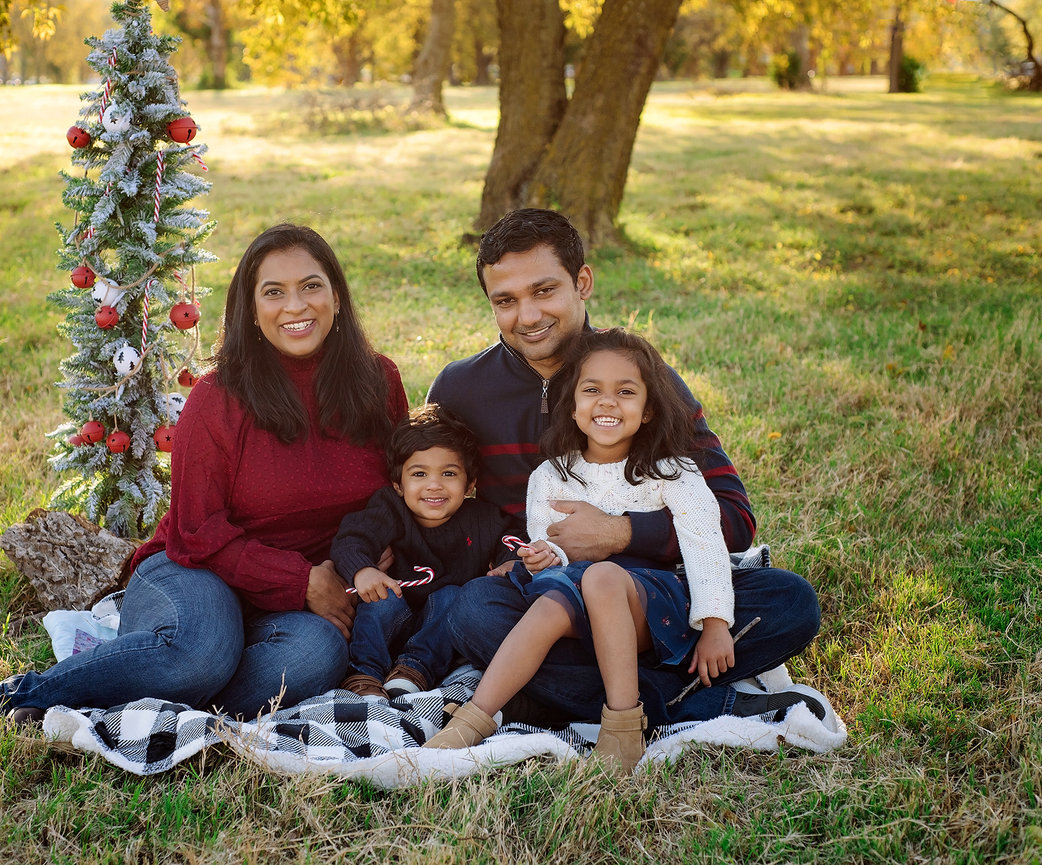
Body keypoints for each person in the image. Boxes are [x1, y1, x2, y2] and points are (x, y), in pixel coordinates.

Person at [0, 223, 409, 739]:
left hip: (301, 599)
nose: (295, 306)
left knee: (318, 655)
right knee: (202, 652)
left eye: (311, 285)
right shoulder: (219, 397)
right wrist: (301, 579)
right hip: (197, 572)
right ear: (250, 307)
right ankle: (25, 695)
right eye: (273, 292)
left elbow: (402, 493)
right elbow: (197, 532)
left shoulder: (378, 382)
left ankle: (132, 694)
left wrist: (371, 557)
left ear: (336, 293)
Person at [427, 208, 822, 732]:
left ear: (582, 282)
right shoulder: (459, 389)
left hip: (658, 600)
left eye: (544, 291)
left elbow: (732, 520)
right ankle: (683, 702)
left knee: (791, 601)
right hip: (550, 595)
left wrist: (618, 533)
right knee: (474, 611)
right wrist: (512, 553)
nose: (526, 316)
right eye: (505, 300)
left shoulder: (640, 379)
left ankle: (553, 696)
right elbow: (444, 506)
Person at [426, 328, 793, 769]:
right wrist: (542, 557)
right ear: (574, 406)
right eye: (592, 390)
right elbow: (550, 545)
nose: (606, 402)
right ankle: (473, 720)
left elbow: (705, 541)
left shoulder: (671, 470)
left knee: (789, 598)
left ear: (648, 409)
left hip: (651, 602)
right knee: (533, 605)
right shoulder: (550, 475)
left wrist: (715, 623)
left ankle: (622, 726)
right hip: (577, 596)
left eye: (625, 391)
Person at [331, 404, 519, 700]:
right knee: (380, 599)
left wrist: (511, 563)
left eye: (448, 473)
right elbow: (352, 538)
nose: (434, 485)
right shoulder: (389, 509)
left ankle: (413, 671)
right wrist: (363, 569)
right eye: (419, 474)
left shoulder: (482, 518)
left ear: (469, 484)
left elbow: (513, 538)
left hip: (438, 637)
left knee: (454, 596)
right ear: (398, 484)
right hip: (393, 620)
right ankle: (364, 673)